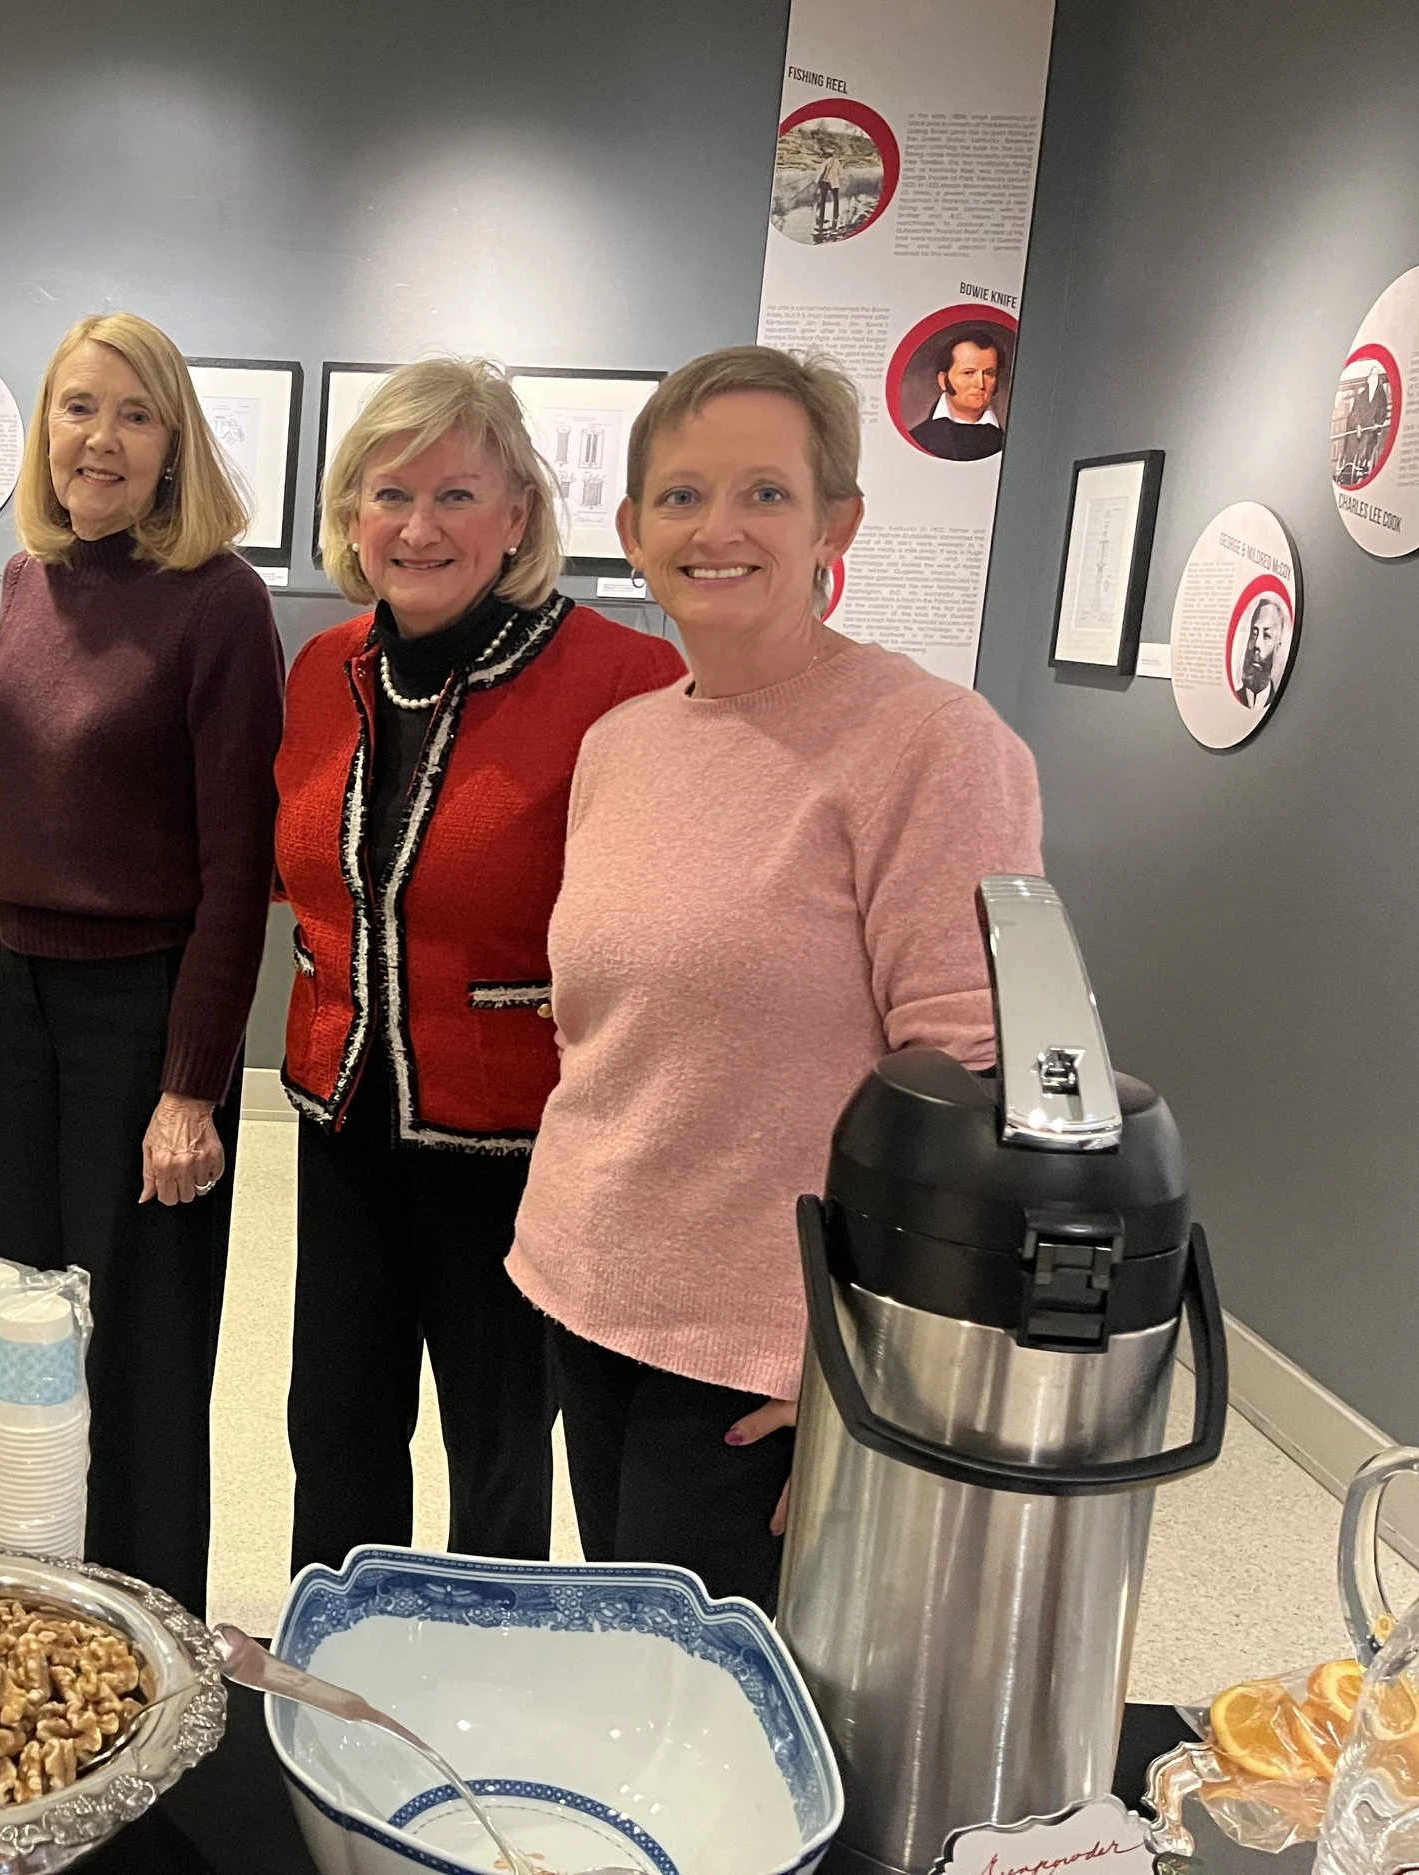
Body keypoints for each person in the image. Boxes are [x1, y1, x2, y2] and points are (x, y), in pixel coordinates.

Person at [509, 345, 1043, 1611]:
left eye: (764, 493)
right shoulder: (623, 743)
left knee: (722, 1702)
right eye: (681, 497)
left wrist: (876, 1365)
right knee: (631, 1665)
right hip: (589, 1289)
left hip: (770, 1350)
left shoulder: (930, 744)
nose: (717, 530)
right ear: (631, 532)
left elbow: (974, 1084)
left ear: (833, 524)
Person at [276, 360, 683, 1576]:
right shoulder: (325, 666)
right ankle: (329, 1651)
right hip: (344, 1117)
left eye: (455, 494)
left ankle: (482, 1655)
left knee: (496, 1445)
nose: (418, 527)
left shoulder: (622, 681)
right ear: (352, 515)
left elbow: (658, 941)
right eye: (389, 494)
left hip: (520, 1142)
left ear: (517, 516)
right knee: (333, 1424)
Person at [0, 311, 285, 1617]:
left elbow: (237, 869)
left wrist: (192, 1087)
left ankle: (153, 1639)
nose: (100, 439)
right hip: (25, 1006)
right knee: (17, 1333)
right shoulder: (24, 582)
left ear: (173, 445)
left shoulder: (220, 602)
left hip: (146, 1016)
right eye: (78, 407)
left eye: (134, 414)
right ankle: (29, 1618)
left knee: (141, 1362)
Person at [908, 330, 1007, 460]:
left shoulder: (1007, 441)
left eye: (988, 373)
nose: (980, 384)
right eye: (968, 373)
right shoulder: (918, 438)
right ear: (943, 380)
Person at [1237, 593, 1286, 710]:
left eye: (1266, 636)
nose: (1257, 644)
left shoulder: (1281, 703)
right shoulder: (1233, 699)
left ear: (1277, 646)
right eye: (1254, 633)